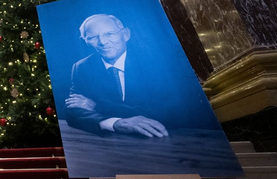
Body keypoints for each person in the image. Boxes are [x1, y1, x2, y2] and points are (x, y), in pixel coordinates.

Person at [65, 14, 216, 137]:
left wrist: (98, 106)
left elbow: (171, 111)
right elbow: (73, 112)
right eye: (93, 37)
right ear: (84, 41)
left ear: (125, 35)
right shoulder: (81, 68)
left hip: (176, 138)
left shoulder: (160, 60)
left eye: (109, 34)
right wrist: (116, 124)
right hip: (115, 146)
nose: (103, 42)